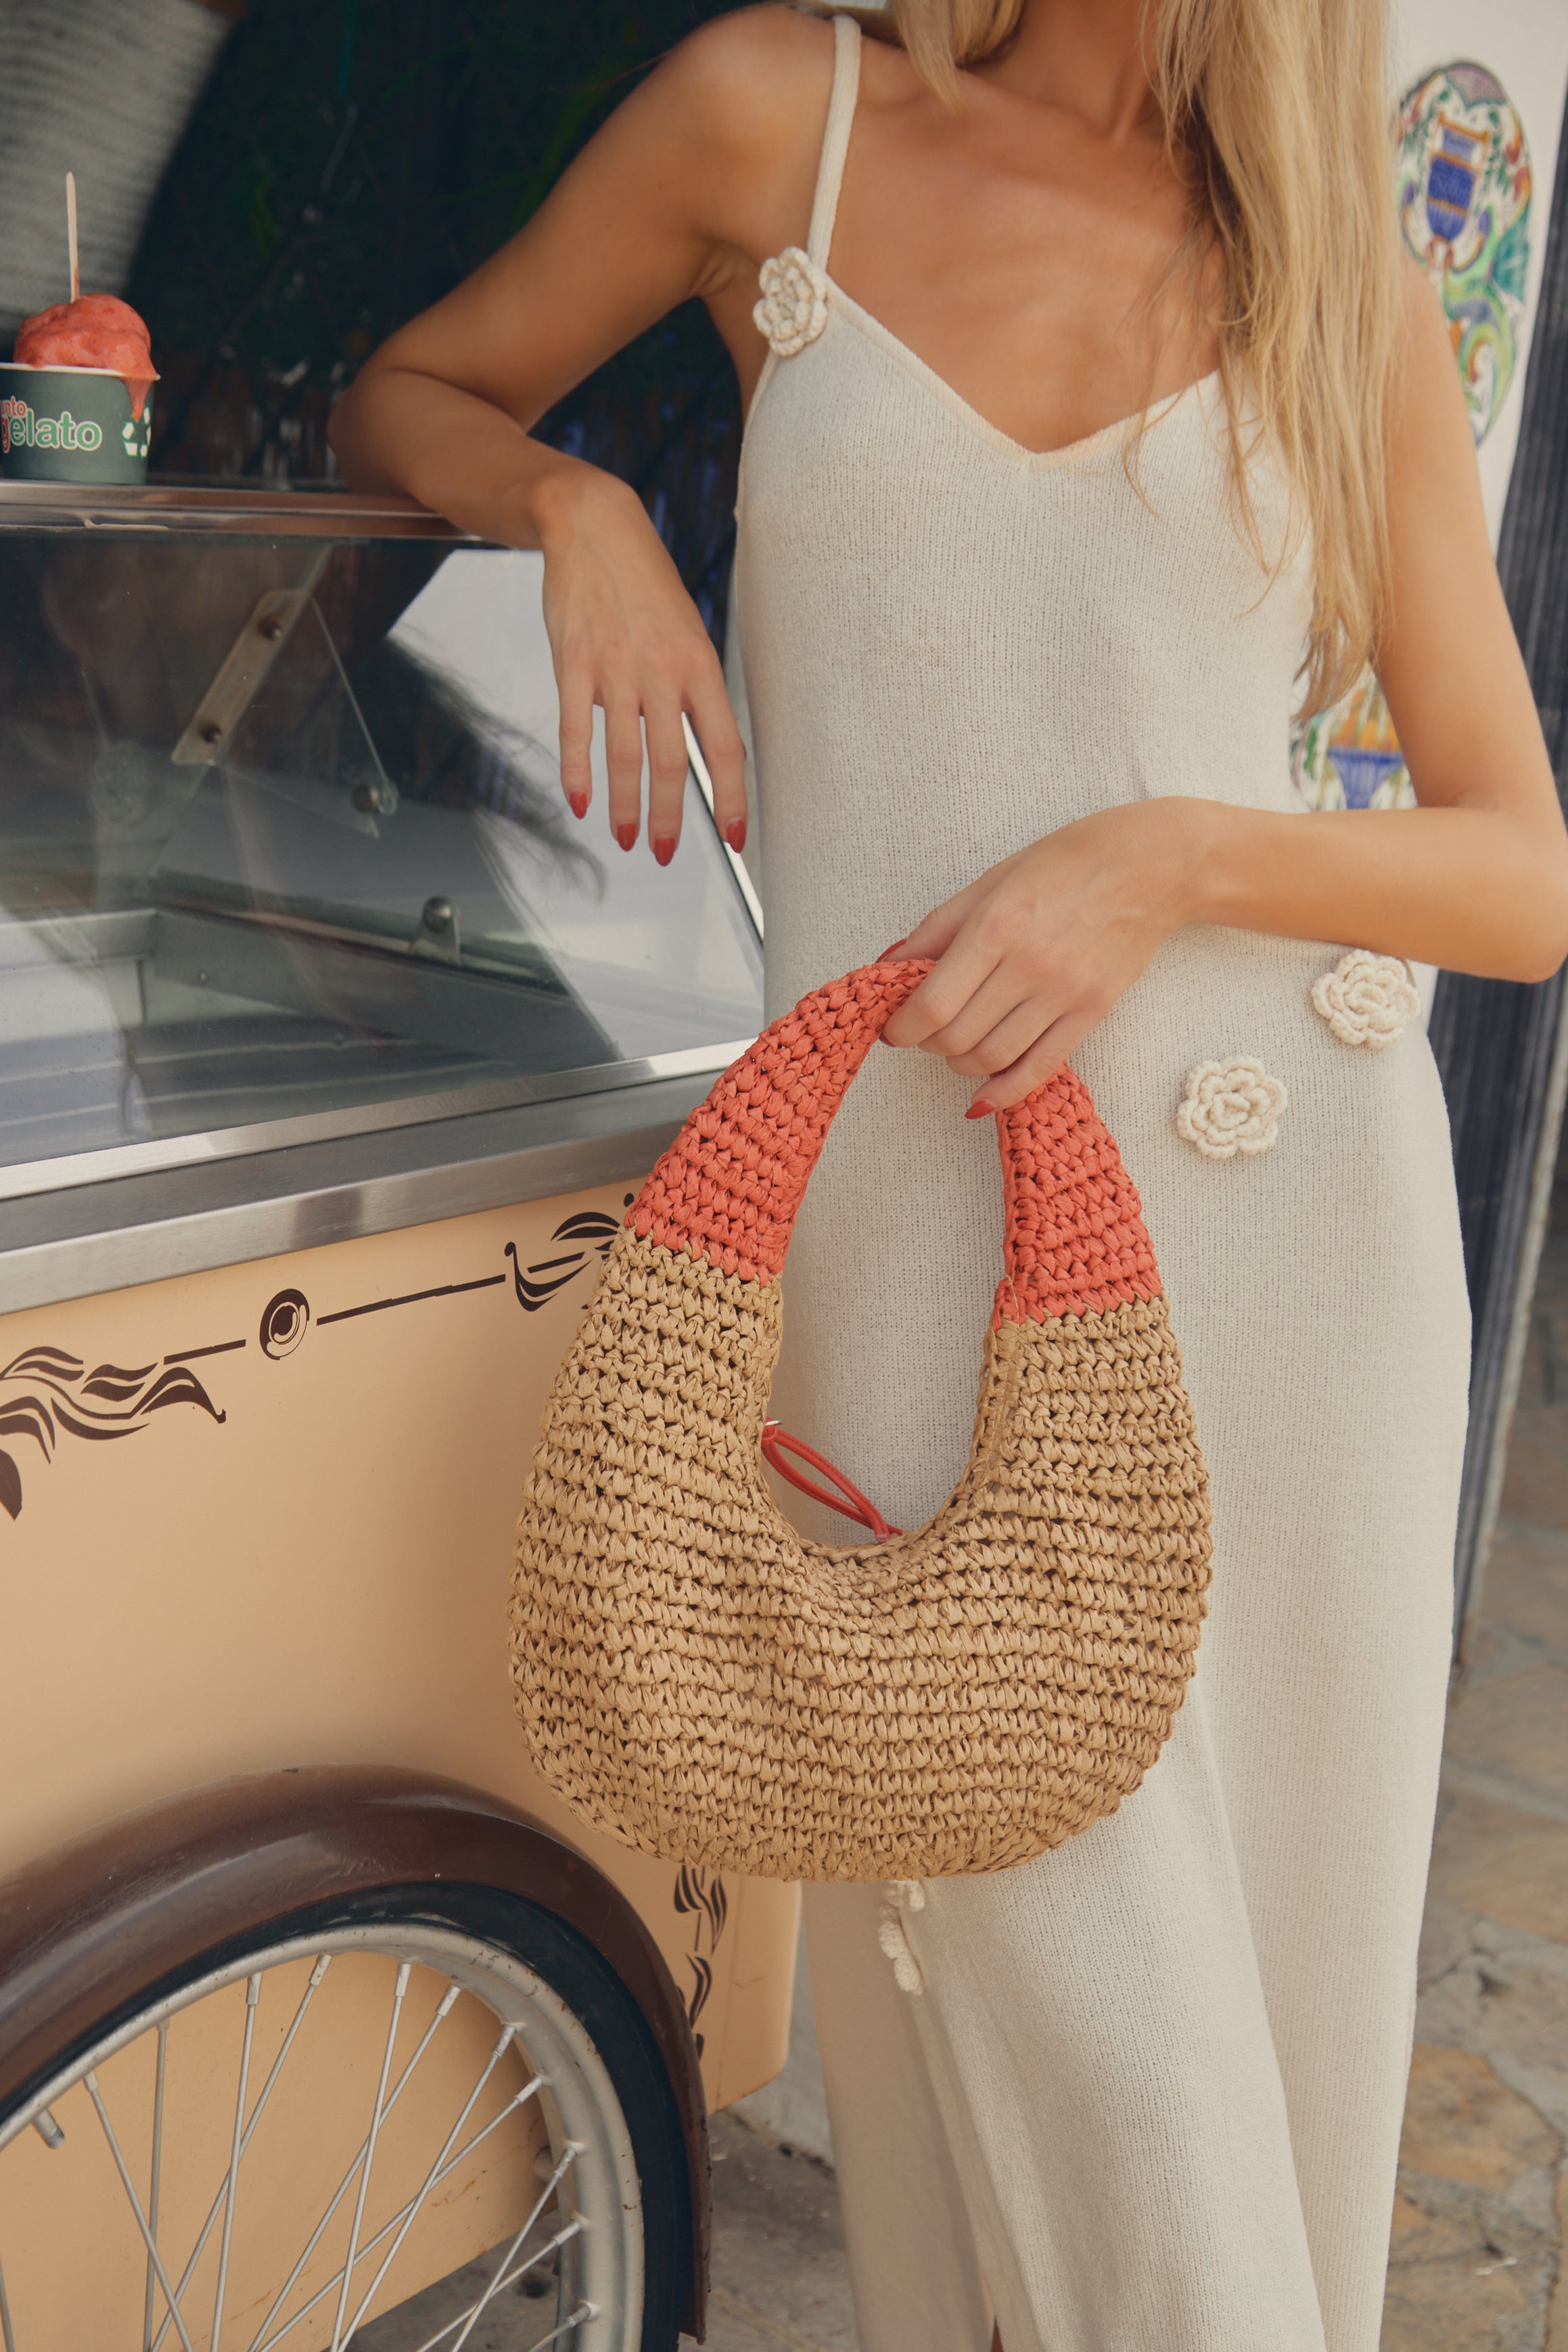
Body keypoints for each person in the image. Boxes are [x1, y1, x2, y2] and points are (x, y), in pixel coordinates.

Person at [329, 3, 1568, 2345]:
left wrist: (1171, 858)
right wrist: (580, 505)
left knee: (1250, 2050)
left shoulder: (1328, 271)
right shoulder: (778, 117)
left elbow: (1524, 873)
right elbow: (407, 393)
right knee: (1047, 2029)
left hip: (1287, 1228)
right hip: (904, 1245)